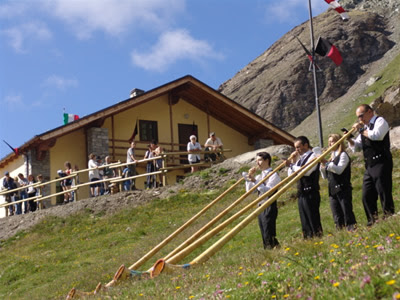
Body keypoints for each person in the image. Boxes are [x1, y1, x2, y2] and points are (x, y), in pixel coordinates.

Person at [348, 104, 394, 226]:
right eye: (358, 117)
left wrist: (361, 130)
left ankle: (389, 216)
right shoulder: (365, 128)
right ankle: (372, 220)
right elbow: (357, 147)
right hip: (369, 165)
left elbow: (377, 136)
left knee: (383, 190)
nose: (360, 119)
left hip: (381, 161)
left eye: (361, 116)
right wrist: (349, 139)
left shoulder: (380, 121)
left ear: (370, 112)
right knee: (366, 195)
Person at [285, 136, 323, 239]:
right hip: (301, 192)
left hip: (311, 190)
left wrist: (292, 166)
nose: (296, 150)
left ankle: (318, 237)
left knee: (312, 217)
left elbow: (306, 171)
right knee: (304, 219)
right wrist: (292, 162)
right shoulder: (299, 160)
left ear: (306, 145)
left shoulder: (313, 156)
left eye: (298, 147)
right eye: (295, 148)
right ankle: (308, 238)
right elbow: (291, 176)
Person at [244, 152, 281, 249]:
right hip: (260, 206)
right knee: (264, 231)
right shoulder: (260, 176)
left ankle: (274, 249)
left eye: (260, 160)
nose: (257, 163)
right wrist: (249, 178)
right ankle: (270, 250)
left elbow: (268, 191)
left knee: (269, 231)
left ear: (267, 160)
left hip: (269, 204)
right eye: (256, 161)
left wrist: (255, 181)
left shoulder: (274, 175)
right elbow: (250, 191)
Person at [320, 134, 357, 231]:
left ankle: (352, 229)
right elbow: (325, 177)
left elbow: (339, 170)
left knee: (346, 211)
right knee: (336, 213)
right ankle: (340, 232)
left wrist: (327, 163)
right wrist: (322, 167)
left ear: (338, 142)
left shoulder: (343, 155)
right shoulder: (331, 157)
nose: (330, 144)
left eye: (332, 141)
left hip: (343, 187)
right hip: (332, 189)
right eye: (329, 142)